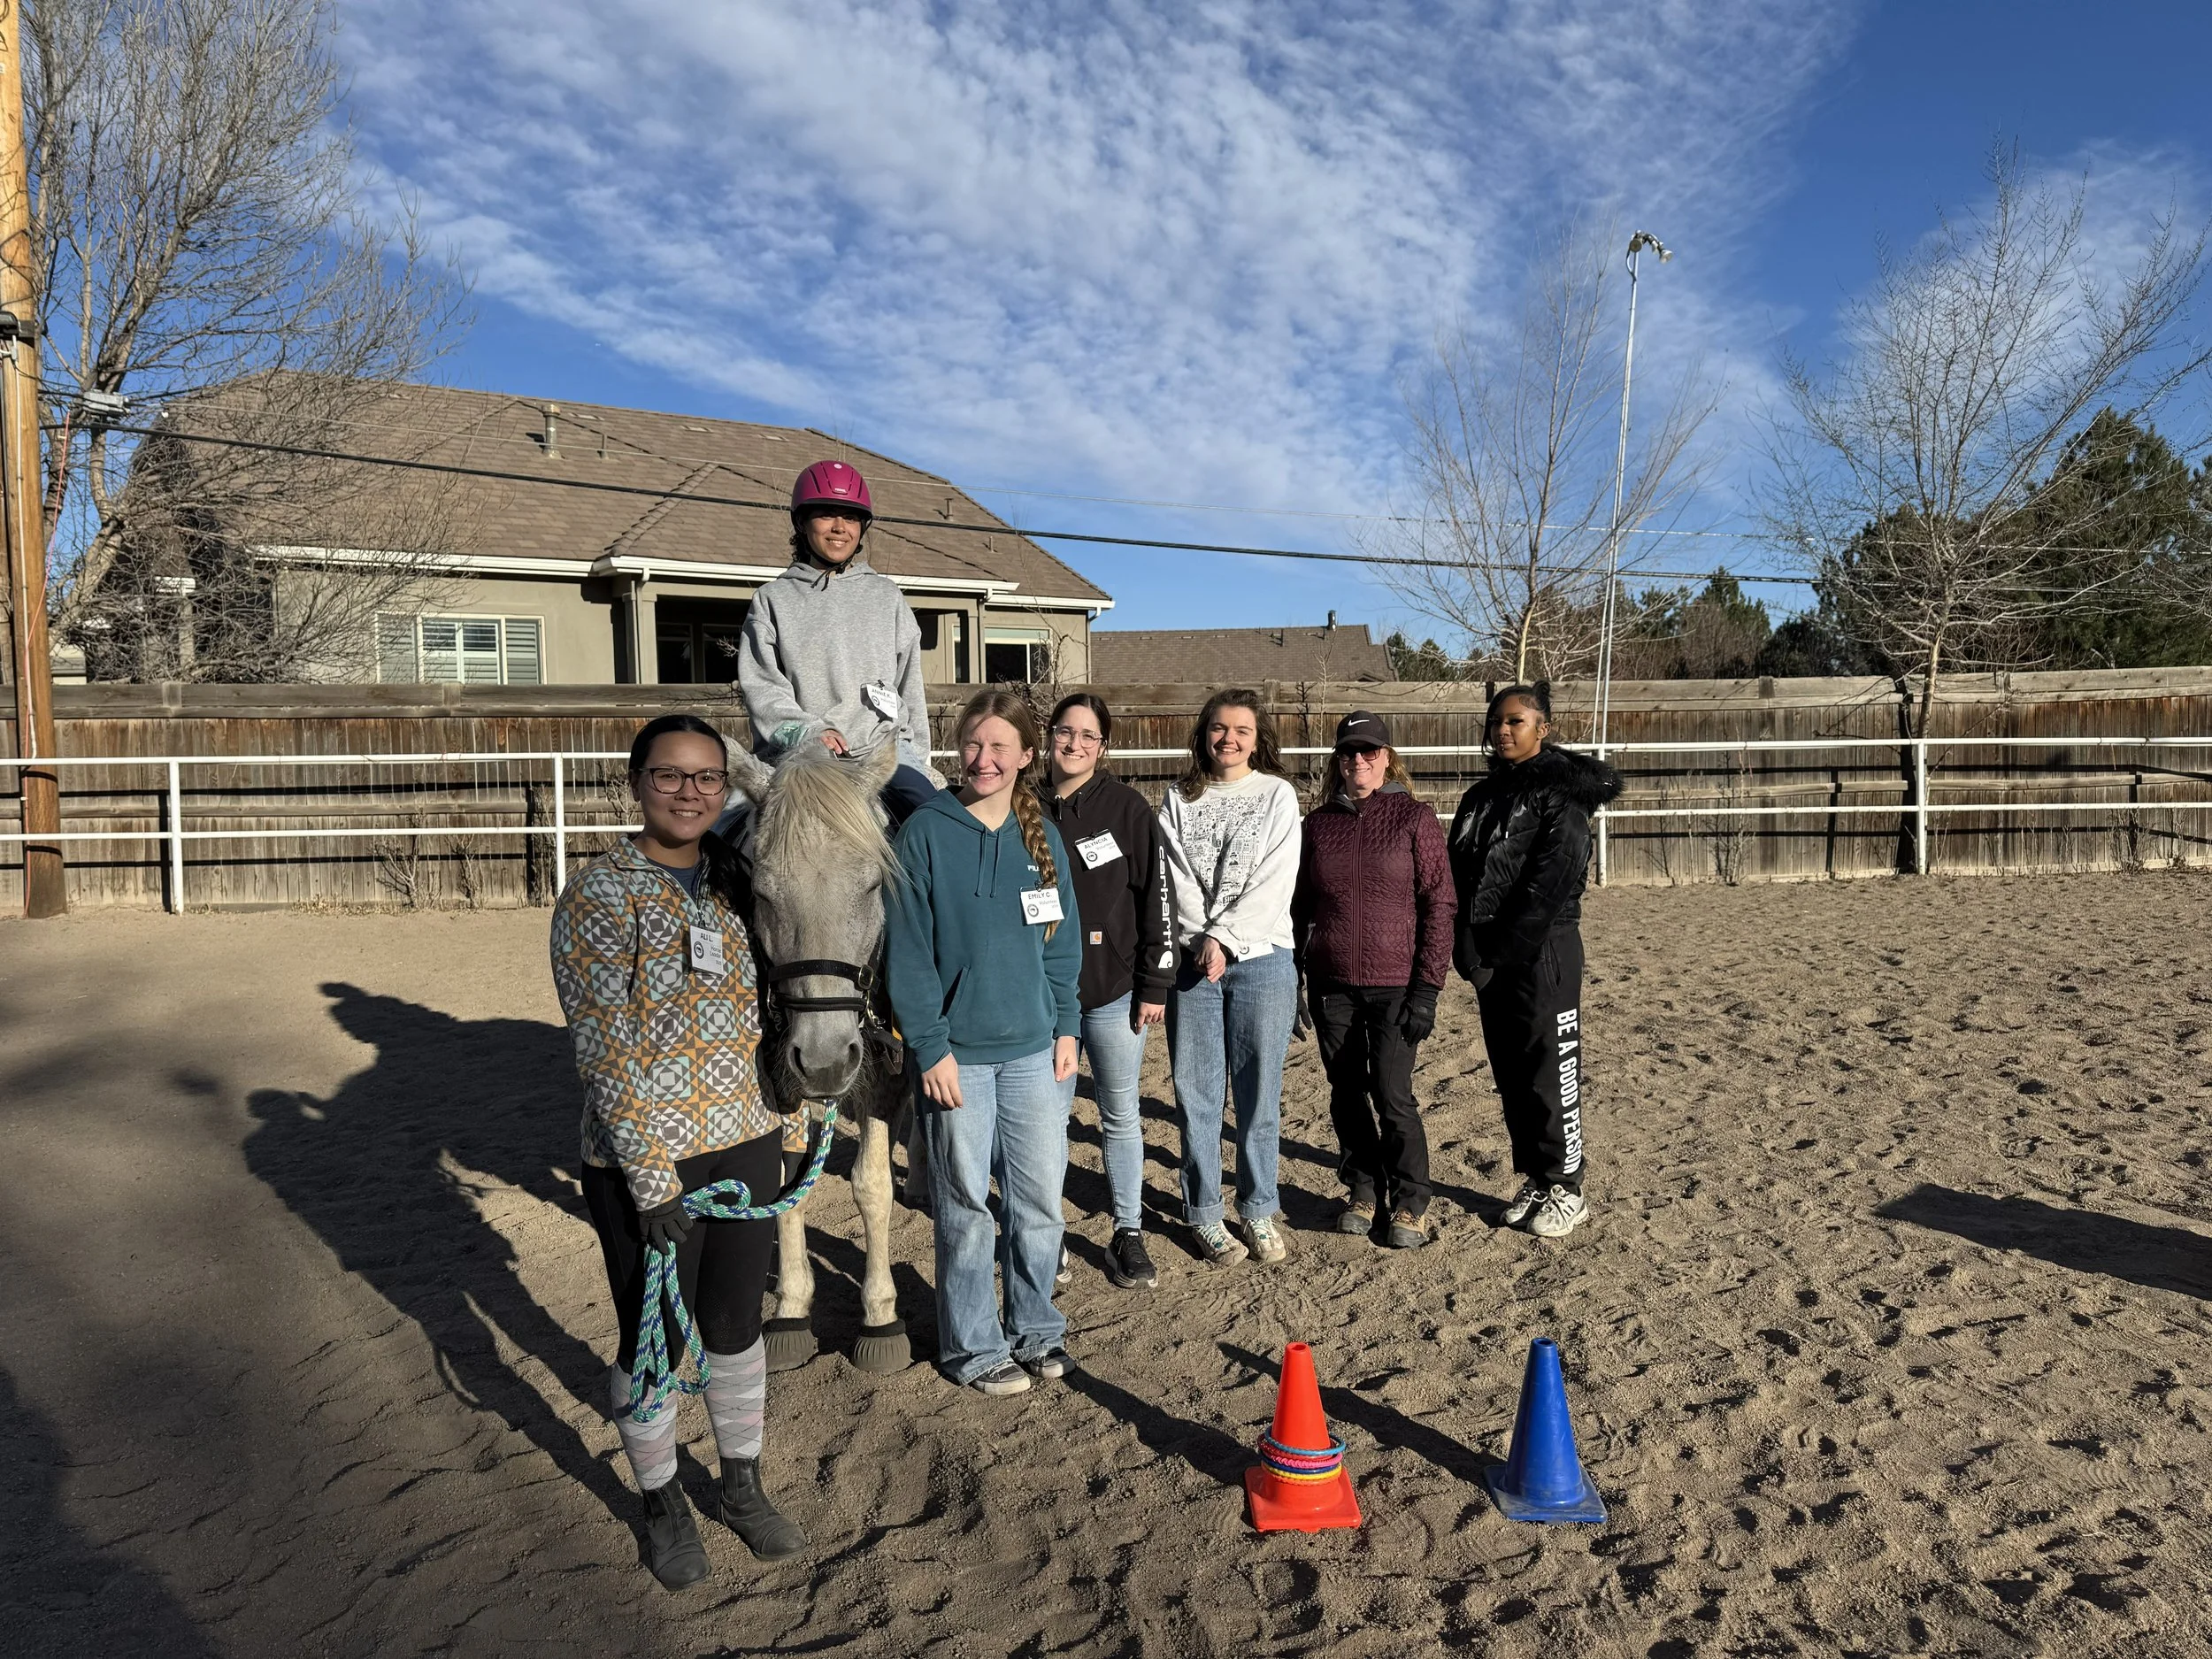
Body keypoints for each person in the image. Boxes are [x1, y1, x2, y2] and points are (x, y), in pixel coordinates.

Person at [549, 713, 808, 1592]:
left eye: (706, 778)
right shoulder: (599, 895)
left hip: (744, 1140)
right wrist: (650, 1177)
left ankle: (739, 1483)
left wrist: (792, 1117)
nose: (691, 791)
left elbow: (777, 1004)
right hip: (644, 1160)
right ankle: (660, 1498)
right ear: (637, 783)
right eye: (671, 775)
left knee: (737, 1327)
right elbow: (601, 1046)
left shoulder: (739, 884)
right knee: (652, 1339)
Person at [887, 688, 1083, 1394]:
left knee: (1038, 1203)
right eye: (973, 744)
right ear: (956, 749)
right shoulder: (926, 833)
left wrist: (1067, 1026)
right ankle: (973, 1346)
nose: (984, 759)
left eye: (1001, 746)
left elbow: (1058, 947)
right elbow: (906, 954)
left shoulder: (1042, 835)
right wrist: (930, 1047)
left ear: (1028, 756)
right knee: (966, 1209)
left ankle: (1036, 1328)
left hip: (1037, 1053)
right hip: (957, 1058)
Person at [1447, 683, 1623, 1241]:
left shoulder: (1560, 796)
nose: (1502, 730)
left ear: (1542, 728)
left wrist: (1499, 949)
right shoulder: (1480, 797)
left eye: (1516, 721)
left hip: (1544, 949)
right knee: (1511, 1071)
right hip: (1490, 957)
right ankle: (1536, 1177)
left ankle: (1567, 1186)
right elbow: (1457, 874)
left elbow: (1551, 882)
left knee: (1551, 1068)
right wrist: (1465, 946)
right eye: (1497, 720)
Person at [1292, 710, 1456, 1250]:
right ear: (1337, 761)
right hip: (1332, 983)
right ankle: (1364, 1188)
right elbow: (1298, 907)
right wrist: (1296, 972)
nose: (1357, 761)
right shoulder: (1317, 826)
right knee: (1345, 1092)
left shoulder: (1415, 819)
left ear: (1387, 758)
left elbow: (1440, 903)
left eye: (1368, 751)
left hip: (1396, 984)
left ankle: (1410, 1202)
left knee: (1392, 1093)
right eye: (1347, 752)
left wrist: (1427, 988)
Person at [1157, 688, 1303, 1267]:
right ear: (1204, 733)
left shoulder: (1276, 795)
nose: (1229, 739)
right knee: (1196, 1091)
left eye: (1241, 729)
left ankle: (1259, 1204)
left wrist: (1227, 937)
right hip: (1195, 960)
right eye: (1219, 728)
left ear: (1257, 736)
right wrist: (1204, 937)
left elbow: (1273, 880)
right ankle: (1204, 1210)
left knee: (1258, 1092)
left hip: (1263, 957)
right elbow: (1175, 877)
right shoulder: (1178, 798)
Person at [1040, 693, 1176, 1290]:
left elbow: (1156, 898)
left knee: (1120, 1112)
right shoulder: (1021, 805)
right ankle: (1048, 1237)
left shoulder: (1127, 809)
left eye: (1087, 736)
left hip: (1116, 991)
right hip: (1045, 996)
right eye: (1064, 732)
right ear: (1047, 737)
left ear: (1104, 746)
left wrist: (1155, 982)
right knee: (1048, 1119)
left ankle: (1128, 1231)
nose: (1073, 744)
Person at [736, 459, 941, 820]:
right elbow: (764, 689)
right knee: (729, 831)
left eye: (850, 517)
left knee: (935, 823)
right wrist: (810, 732)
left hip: (882, 751)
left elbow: (909, 684)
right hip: (806, 754)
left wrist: (918, 755)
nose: (839, 528)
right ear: (801, 522)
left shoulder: (886, 595)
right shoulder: (773, 600)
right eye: (827, 515)